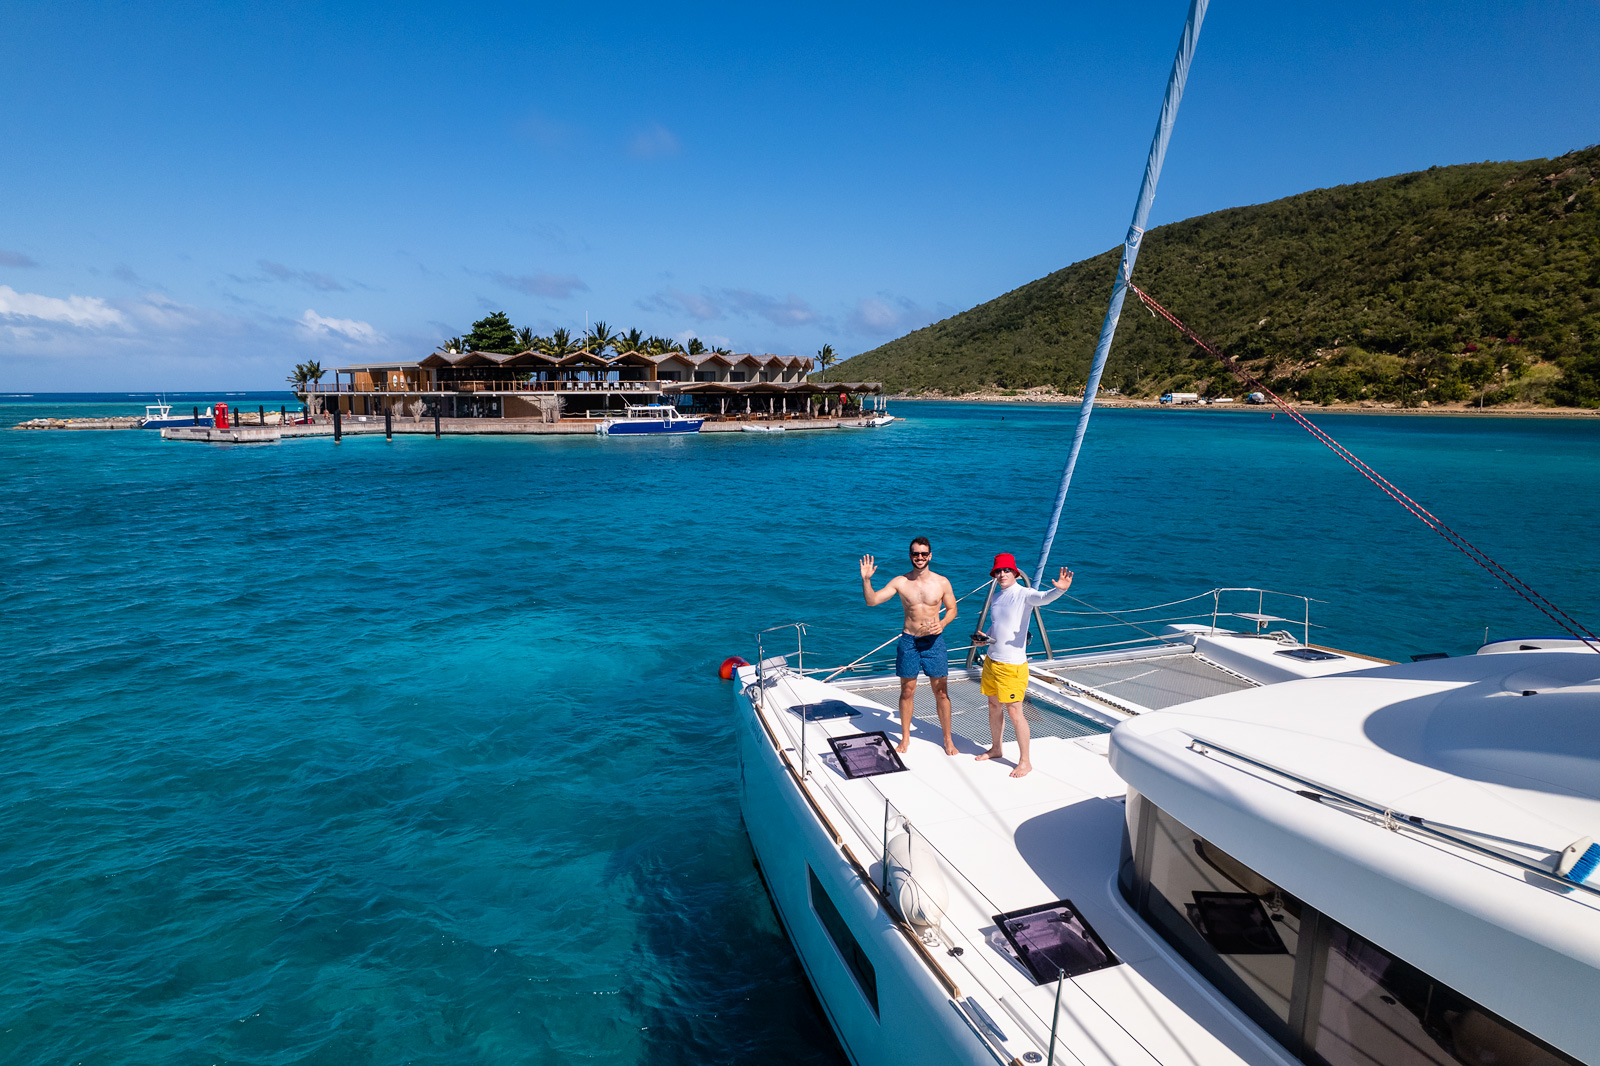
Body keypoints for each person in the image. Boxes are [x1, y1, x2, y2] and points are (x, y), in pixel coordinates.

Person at [974, 553, 1073, 777]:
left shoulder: (1024, 594)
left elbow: (1044, 598)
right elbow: (996, 626)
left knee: (1015, 712)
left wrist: (1060, 589)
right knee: (993, 706)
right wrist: (985, 637)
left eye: (1006, 570)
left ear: (1015, 572)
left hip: (1012, 666)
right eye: (998, 571)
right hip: (992, 659)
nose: (1001, 575)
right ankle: (997, 748)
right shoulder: (997, 597)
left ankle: (1025, 762)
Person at [860, 537, 959, 755]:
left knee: (941, 692)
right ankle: (905, 738)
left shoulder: (942, 582)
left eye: (924, 554)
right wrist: (867, 580)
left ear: (930, 555)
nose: (920, 557)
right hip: (909, 641)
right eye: (916, 554)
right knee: (907, 691)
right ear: (910, 556)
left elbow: (952, 609)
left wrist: (942, 624)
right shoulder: (901, 582)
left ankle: (948, 740)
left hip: (934, 642)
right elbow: (872, 601)